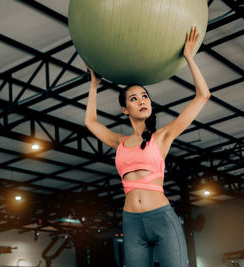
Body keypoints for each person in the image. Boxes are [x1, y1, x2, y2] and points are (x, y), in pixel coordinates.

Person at [84, 26, 210, 267]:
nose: (142, 101)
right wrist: (93, 85)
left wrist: (189, 57)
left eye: (144, 96)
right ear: (125, 109)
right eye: (134, 98)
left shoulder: (162, 136)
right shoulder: (118, 141)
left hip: (162, 218)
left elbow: (203, 95)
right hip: (132, 222)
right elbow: (90, 122)